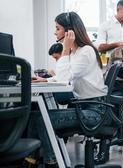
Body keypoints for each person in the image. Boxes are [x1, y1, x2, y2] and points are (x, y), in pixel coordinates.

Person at [29, 12, 108, 167]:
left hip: (94, 111)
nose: (54, 32)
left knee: (41, 120)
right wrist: (46, 79)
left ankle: (51, 162)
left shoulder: (85, 51)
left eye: (57, 28)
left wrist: (65, 50)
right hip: (85, 107)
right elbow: (64, 75)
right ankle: (35, 160)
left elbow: (65, 78)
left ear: (69, 32)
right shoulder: (77, 52)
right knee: (35, 117)